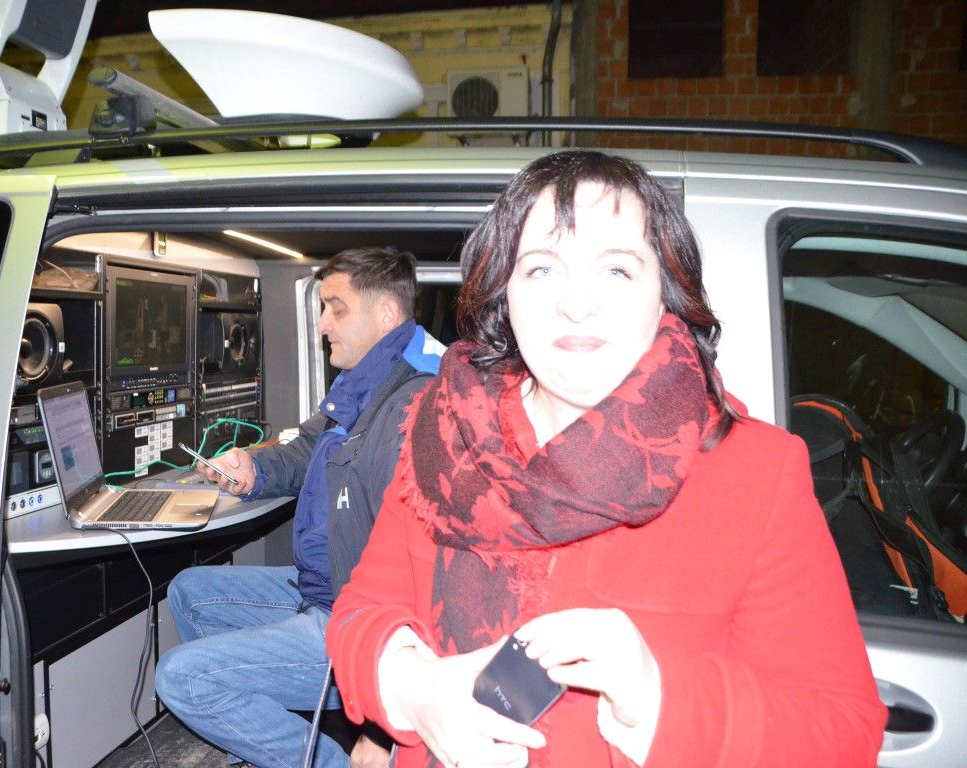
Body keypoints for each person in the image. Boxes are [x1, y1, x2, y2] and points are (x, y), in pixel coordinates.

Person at [326, 151, 887, 767]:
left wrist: (659, 700)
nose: (576, 304)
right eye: (541, 269)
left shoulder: (756, 471)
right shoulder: (442, 432)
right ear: (505, 293)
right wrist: (416, 688)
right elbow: (361, 611)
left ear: (665, 296)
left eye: (617, 270)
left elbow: (842, 731)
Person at [155, 246, 446, 768]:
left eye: (336, 308)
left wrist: (382, 730)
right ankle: (257, 741)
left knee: (183, 678)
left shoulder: (415, 405)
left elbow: (423, 572)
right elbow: (312, 445)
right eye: (322, 307)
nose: (322, 324)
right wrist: (254, 469)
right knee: (191, 592)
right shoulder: (367, 379)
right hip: (325, 583)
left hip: (359, 618)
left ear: (386, 314)